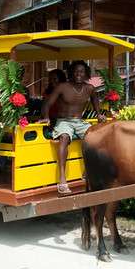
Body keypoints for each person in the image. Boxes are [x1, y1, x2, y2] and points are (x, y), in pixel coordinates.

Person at [40, 61, 106, 196]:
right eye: (76, 71)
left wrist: (98, 113)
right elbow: (47, 104)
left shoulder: (89, 88)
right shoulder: (62, 87)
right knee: (64, 137)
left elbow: (95, 99)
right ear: (71, 73)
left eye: (81, 72)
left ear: (86, 73)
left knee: (96, 136)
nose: (78, 74)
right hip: (64, 121)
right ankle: (62, 180)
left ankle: (88, 172)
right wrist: (46, 117)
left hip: (80, 122)